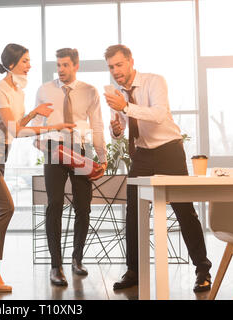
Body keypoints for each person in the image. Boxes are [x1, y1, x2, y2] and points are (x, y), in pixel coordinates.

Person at [103, 44, 212, 293]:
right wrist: (116, 130)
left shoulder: (154, 81)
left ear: (130, 61)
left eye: (119, 64)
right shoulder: (117, 94)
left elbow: (159, 115)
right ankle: (134, 271)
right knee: (134, 212)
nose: (116, 71)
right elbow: (119, 129)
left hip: (169, 151)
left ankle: (203, 270)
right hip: (142, 155)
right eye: (111, 67)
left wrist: (125, 107)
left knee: (184, 210)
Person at [0, 43, 75, 292]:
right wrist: (53, 126)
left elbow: (14, 126)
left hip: (1, 153)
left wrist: (33, 112)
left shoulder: (18, 91)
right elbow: (15, 130)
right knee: (6, 207)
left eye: (29, 61)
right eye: (26, 61)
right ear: (12, 64)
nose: (30, 65)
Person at [33, 48, 107, 286]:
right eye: (58, 65)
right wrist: (38, 139)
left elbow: (97, 125)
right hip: (54, 150)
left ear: (76, 65)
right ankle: (56, 266)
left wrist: (102, 157)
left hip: (80, 150)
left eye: (65, 65)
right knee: (54, 204)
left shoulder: (89, 91)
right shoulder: (45, 90)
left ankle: (77, 259)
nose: (61, 69)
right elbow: (36, 122)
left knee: (83, 207)